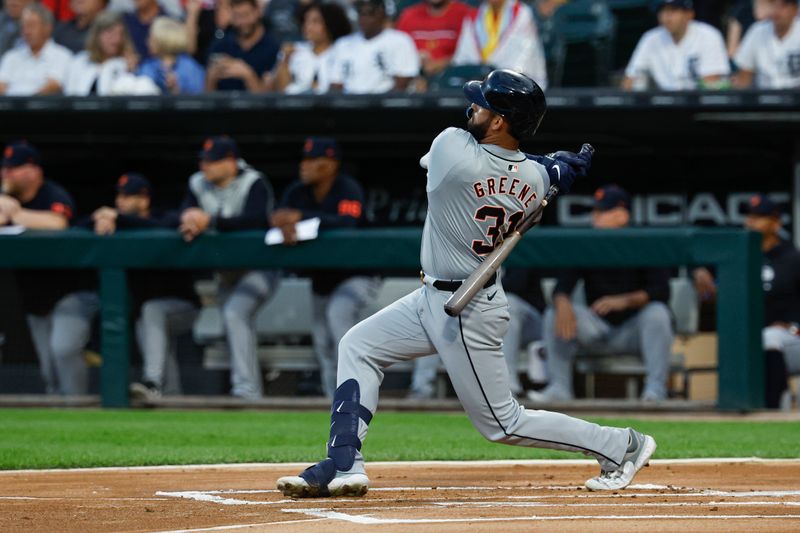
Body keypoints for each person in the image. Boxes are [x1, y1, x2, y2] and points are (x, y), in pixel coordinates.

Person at [276, 69, 657, 498]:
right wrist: (554, 167)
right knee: (358, 345)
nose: (470, 107)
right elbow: (532, 167)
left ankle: (622, 445)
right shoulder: (536, 182)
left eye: (481, 104)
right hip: (436, 296)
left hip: (466, 306)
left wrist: (552, 163)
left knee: (502, 423)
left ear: (499, 121)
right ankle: (344, 460)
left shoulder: (450, 149)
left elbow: (509, 160)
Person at [529, 185, 674, 403]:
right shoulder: (587, 244)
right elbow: (562, 287)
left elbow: (662, 291)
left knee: (658, 313)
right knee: (554, 312)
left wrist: (624, 301)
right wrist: (562, 302)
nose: (595, 217)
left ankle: (655, 391)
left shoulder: (644, 241)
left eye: (602, 212)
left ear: (622, 215)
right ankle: (559, 387)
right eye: (595, 211)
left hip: (633, 330)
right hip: (596, 328)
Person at [271, 137, 380, 398]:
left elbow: (347, 223)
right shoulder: (297, 192)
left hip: (359, 273)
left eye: (312, 160)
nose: (304, 166)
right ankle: (337, 401)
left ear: (330, 164)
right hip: (323, 278)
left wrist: (303, 217)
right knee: (322, 339)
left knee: (338, 318)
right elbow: (278, 216)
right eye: (304, 159)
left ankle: (357, 395)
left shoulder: (348, 187)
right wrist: (284, 223)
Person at [76, 172, 200, 400]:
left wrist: (117, 218)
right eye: (119, 196)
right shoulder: (116, 224)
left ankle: (152, 383)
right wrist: (99, 218)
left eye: (128, 196)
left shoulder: (167, 216)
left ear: (144, 199)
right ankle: (170, 397)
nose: (121, 201)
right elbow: (76, 227)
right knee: (152, 324)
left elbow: (163, 226)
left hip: (183, 306)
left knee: (152, 312)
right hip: (145, 312)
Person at [179, 136, 278, 399]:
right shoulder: (196, 182)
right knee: (231, 323)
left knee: (235, 314)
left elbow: (257, 220)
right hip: (226, 272)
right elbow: (185, 212)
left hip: (260, 268)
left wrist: (209, 220)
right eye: (203, 160)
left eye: (212, 161)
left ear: (231, 162)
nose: (205, 166)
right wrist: (189, 218)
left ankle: (246, 391)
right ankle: (247, 387)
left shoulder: (253, 181)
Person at [0, 141, 97, 395]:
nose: (7, 174)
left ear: (34, 170)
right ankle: (59, 411)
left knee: (63, 349)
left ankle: (76, 409)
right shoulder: (5, 199)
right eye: (5, 169)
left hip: (72, 292)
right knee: (48, 368)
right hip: (34, 297)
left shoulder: (53, 194)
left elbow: (57, 223)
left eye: (14, 168)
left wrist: (15, 212)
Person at [694, 195, 800, 408]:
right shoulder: (737, 255)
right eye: (749, 217)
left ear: (775, 222)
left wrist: (794, 325)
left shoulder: (793, 258)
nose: (750, 222)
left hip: (790, 337)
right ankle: (741, 405)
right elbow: (708, 291)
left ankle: (774, 404)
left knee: (769, 337)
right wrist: (700, 273)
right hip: (747, 339)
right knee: (749, 339)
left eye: (759, 217)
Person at [622, 0, 729, 90]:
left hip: (701, 107)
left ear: (689, 14)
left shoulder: (709, 35)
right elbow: (630, 80)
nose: (666, 17)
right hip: (665, 106)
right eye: (663, 11)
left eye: (673, 10)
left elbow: (711, 83)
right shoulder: (650, 38)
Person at [328, 0, 420, 93]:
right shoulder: (343, 44)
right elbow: (335, 83)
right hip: (348, 103)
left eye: (370, 13)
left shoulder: (400, 40)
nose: (364, 18)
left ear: (382, 15)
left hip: (385, 103)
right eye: (361, 13)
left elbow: (403, 82)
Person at [451, 0, 547, 88]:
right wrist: (481, 71)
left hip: (509, 85)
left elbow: (521, 59)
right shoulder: (473, 16)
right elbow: (464, 56)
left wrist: (490, 72)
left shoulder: (522, 13)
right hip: (478, 82)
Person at [269, 1, 351, 94]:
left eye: (315, 22)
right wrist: (285, 61)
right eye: (306, 21)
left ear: (329, 24)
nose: (308, 26)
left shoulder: (342, 51)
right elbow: (282, 90)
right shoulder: (294, 51)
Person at [205, 0, 279, 92]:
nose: (242, 22)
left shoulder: (273, 48)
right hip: (224, 105)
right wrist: (212, 76)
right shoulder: (221, 46)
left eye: (245, 15)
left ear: (257, 12)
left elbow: (269, 100)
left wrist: (247, 75)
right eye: (236, 17)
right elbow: (207, 98)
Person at [0, 3, 73, 95]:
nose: (27, 31)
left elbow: (53, 86)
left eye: (32, 25)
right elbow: (1, 86)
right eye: (24, 26)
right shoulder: (11, 56)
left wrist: (24, 104)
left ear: (47, 28)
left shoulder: (62, 56)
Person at [64, 11, 140, 95]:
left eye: (120, 34)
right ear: (97, 35)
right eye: (110, 33)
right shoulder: (80, 61)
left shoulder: (127, 64)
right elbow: (69, 95)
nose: (116, 40)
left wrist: (129, 72)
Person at [395, 0, 474, 78]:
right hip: (415, 77)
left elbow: (470, 55)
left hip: (452, 77)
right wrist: (414, 57)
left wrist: (441, 63)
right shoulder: (408, 16)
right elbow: (397, 51)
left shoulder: (465, 14)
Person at [733, 0, 800, 89]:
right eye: (774, 4)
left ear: (795, 9)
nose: (777, 10)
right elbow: (744, 77)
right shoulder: (757, 31)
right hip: (765, 99)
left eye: (784, 5)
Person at [137, 16, 205, 94]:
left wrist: (177, 90)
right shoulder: (147, 66)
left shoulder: (190, 67)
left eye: (151, 37)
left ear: (163, 39)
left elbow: (199, 98)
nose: (147, 41)